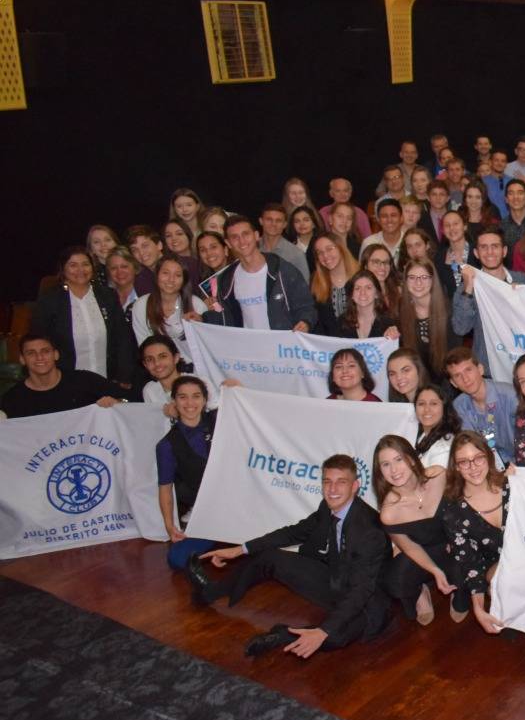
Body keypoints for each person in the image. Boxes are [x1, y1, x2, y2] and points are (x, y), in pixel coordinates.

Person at [185, 454, 393, 658]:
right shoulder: (328, 507)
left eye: (341, 482)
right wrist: (240, 549)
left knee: (334, 635)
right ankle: (208, 592)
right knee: (268, 557)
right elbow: (294, 532)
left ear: (355, 486)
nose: (332, 489)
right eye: (327, 481)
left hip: (366, 600)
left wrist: (324, 630)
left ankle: (282, 636)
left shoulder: (369, 531)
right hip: (335, 579)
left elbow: (361, 590)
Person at [374, 434, 458, 627]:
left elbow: (463, 505)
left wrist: (456, 539)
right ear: (380, 471)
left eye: (398, 459)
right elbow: (410, 548)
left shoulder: (439, 475)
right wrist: (435, 571)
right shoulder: (389, 512)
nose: (393, 470)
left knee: (464, 565)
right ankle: (421, 591)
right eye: (385, 464)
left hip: (453, 543)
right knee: (395, 582)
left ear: (411, 459)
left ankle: (459, 592)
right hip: (424, 550)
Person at [33, 247, 137, 389]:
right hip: (66, 383)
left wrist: (124, 376)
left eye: (85, 264)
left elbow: (122, 339)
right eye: (73, 265)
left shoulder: (108, 296)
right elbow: (39, 342)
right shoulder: (50, 301)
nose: (80, 270)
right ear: (63, 269)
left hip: (107, 381)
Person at [439, 431, 510, 633]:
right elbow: (471, 564)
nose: (473, 467)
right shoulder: (453, 511)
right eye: (464, 462)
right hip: (496, 564)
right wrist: (478, 608)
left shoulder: (512, 485)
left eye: (478, 458)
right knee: (500, 585)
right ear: (456, 467)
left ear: (489, 456)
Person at [201, 215, 317, 332]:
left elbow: (306, 307)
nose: (241, 241)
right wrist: (202, 318)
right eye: (235, 237)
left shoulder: (283, 270)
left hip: (283, 342)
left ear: (256, 236)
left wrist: (305, 322)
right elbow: (225, 318)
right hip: (247, 343)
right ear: (228, 243)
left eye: (246, 234)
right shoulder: (226, 280)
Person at [155, 376, 218, 570]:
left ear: (205, 400)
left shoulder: (221, 420)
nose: (190, 403)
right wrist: (170, 526)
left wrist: (238, 388)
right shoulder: (167, 445)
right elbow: (165, 487)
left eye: (196, 396)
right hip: (208, 512)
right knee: (177, 559)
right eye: (183, 397)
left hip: (241, 504)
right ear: (174, 401)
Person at [451, 227, 525, 372]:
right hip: (487, 368)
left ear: (504, 251)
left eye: (495, 246)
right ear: (476, 253)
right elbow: (461, 329)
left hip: (521, 365)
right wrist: (468, 289)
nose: (490, 252)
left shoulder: (522, 280)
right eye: (484, 247)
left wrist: (521, 300)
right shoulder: (466, 287)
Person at [0, 333, 118, 418]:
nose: (39, 357)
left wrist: (117, 403)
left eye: (45, 351)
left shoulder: (86, 381)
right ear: (22, 359)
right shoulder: (13, 399)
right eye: (31, 353)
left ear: (56, 355)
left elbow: (126, 400)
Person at [445, 347, 518, 467]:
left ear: (480, 369)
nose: (465, 379)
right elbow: (470, 446)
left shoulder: (510, 396)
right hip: (487, 466)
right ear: (453, 383)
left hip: (522, 465)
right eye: (457, 375)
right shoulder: (459, 406)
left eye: (468, 370)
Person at [131, 254, 207, 362]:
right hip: (158, 367)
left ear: (184, 280)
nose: (171, 279)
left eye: (178, 275)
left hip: (194, 367)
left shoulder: (196, 305)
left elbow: (206, 346)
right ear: (157, 275)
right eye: (165, 273)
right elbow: (144, 347)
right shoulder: (141, 305)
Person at [309, 232, 361, 336]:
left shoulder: (361, 276)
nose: (325, 256)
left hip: (361, 342)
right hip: (329, 343)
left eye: (329, 249)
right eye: (319, 253)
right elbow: (317, 321)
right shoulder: (315, 282)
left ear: (341, 248)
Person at [414, 383, 461, 471]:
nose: (427, 409)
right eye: (421, 404)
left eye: (433, 404)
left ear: (444, 408)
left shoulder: (445, 447)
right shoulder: (422, 436)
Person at [338, 271, 399, 339]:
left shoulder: (389, 323)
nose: (362, 292)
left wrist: (395, 336)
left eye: (368, 288)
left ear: (376, 294)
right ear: (352, 295)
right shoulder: (341, 322)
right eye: (357, 288)